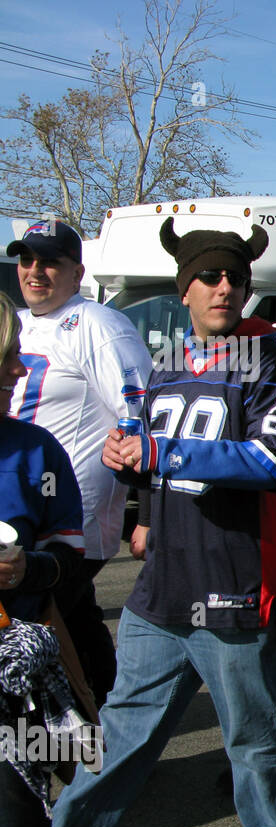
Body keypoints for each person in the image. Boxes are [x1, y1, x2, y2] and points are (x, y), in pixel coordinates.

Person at [51, 219, 276, 827]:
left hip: (233, 586)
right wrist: (131, 466)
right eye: (209, 275)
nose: (224, 287)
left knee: (253, 732)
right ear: (185, 290)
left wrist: (158, 453)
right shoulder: (170, 362)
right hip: (161, 585)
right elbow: (149, 451)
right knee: (118, 732)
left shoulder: (272, 366)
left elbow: (269, 462)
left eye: (235, 276)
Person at [0, 291, 143, 827]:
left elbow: (66, 558)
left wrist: (29, 566)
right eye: (3, 368)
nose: (15, 380)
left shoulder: (35, 451)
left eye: (15, 366)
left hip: (11, 689)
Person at [6, 221, 154, 707]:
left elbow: (142, 414)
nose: (35, 271)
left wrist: (148, 512)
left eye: (50, 261)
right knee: (77, 626)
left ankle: (75, 741)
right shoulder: (20, 323)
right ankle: (111, 733)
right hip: (22, 517)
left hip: (73, 521)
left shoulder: (96, 323)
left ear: (77, 273)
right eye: (27, 259)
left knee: (42, 633)